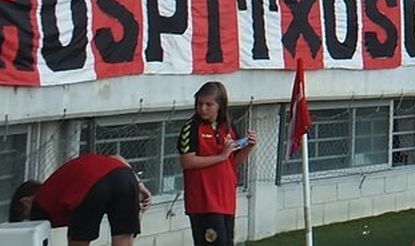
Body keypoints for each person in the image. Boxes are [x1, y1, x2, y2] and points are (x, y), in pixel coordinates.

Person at [9, 153, 152, 246]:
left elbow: (36, 238)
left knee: (78, 242)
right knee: (124, 240)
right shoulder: (56, 186)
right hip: (124, 176)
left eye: (26, 215)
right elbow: (118, 158)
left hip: (90, 187)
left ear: (25, 201)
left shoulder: (40, 202)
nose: (32, 221)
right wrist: (140, 185)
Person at [177, 80, 255, 246]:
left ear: (220, 105)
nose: (202, 108)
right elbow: (187, 161)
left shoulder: (228, 126)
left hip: (226, 201)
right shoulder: (191, 128)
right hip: (204, 202)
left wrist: (248, 148)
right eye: (199, 104)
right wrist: (220, 156)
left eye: (208, 104)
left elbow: (232, 163)